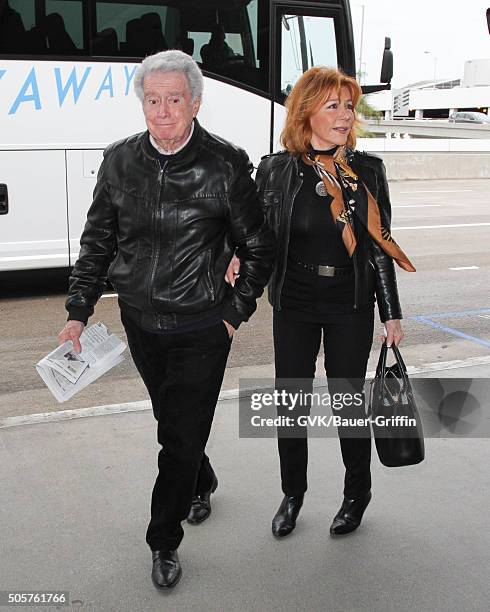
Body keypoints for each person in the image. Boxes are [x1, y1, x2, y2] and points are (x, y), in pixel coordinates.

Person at [58, 50, 274, 589]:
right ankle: (201, 480)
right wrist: (78, 311)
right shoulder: (118, 161)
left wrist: (234, 314)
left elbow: (258, 246)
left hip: (203, 326)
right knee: (174, 423)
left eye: (173, 99)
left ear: (195, 103)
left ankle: (163, 540)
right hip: (140, 322)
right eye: (152, 100)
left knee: (176, 438)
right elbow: (98, 242)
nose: (162, 111)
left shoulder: (224, 164)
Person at [254, 66, 415, 538]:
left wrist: (391, 311)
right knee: (291, 405)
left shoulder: (367, 171)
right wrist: (235, 265)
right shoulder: (277, 170)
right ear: (306, 112)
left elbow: (380, 243)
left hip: (349, 301)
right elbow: (259, 238)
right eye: (333, 106)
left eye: (349, 106)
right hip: (295, 301)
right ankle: (292, 493)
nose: (345, 115)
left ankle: (355, 493)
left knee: (348, 403)